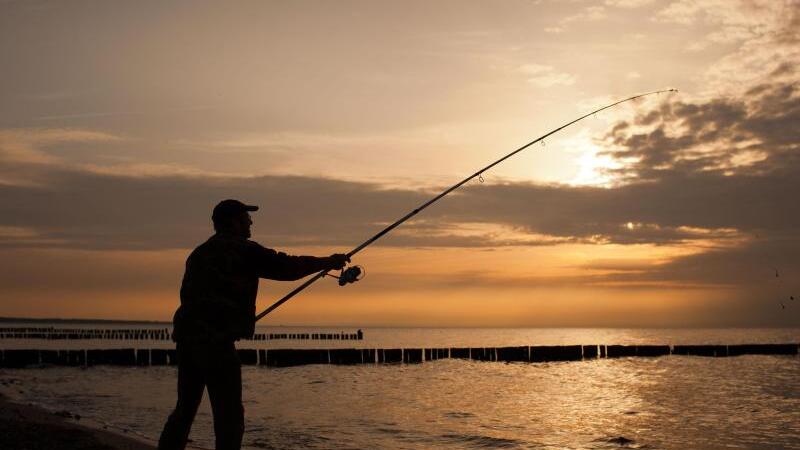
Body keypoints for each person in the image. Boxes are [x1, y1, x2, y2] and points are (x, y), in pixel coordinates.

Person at [158, 199, 349, 450]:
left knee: (185, 409)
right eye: (246, 218)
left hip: (187, 339)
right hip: (216, 342)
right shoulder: (242, 249)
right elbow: (286, 267)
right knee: (229, 415)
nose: (251, 222)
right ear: (233, 222)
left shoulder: (199, 253)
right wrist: (328, 261)